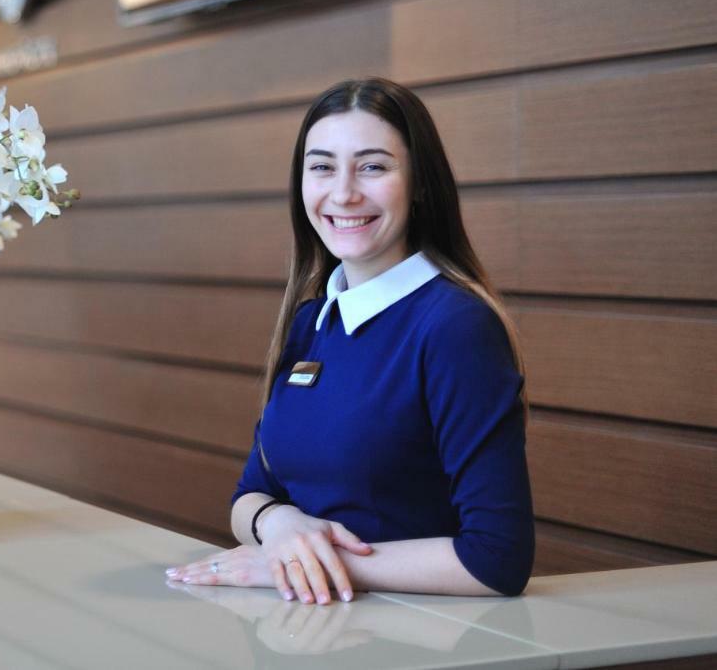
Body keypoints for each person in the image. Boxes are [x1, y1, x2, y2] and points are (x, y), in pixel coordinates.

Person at [167, 78, 534, 603]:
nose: (343, 193)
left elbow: (497, 559)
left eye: (373, 166)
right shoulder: (310, 321)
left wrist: (301, 564)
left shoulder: (455, 326)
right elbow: (250, 496)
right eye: (321, 167)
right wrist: (280, 526)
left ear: (420, 183)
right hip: (301, 638)